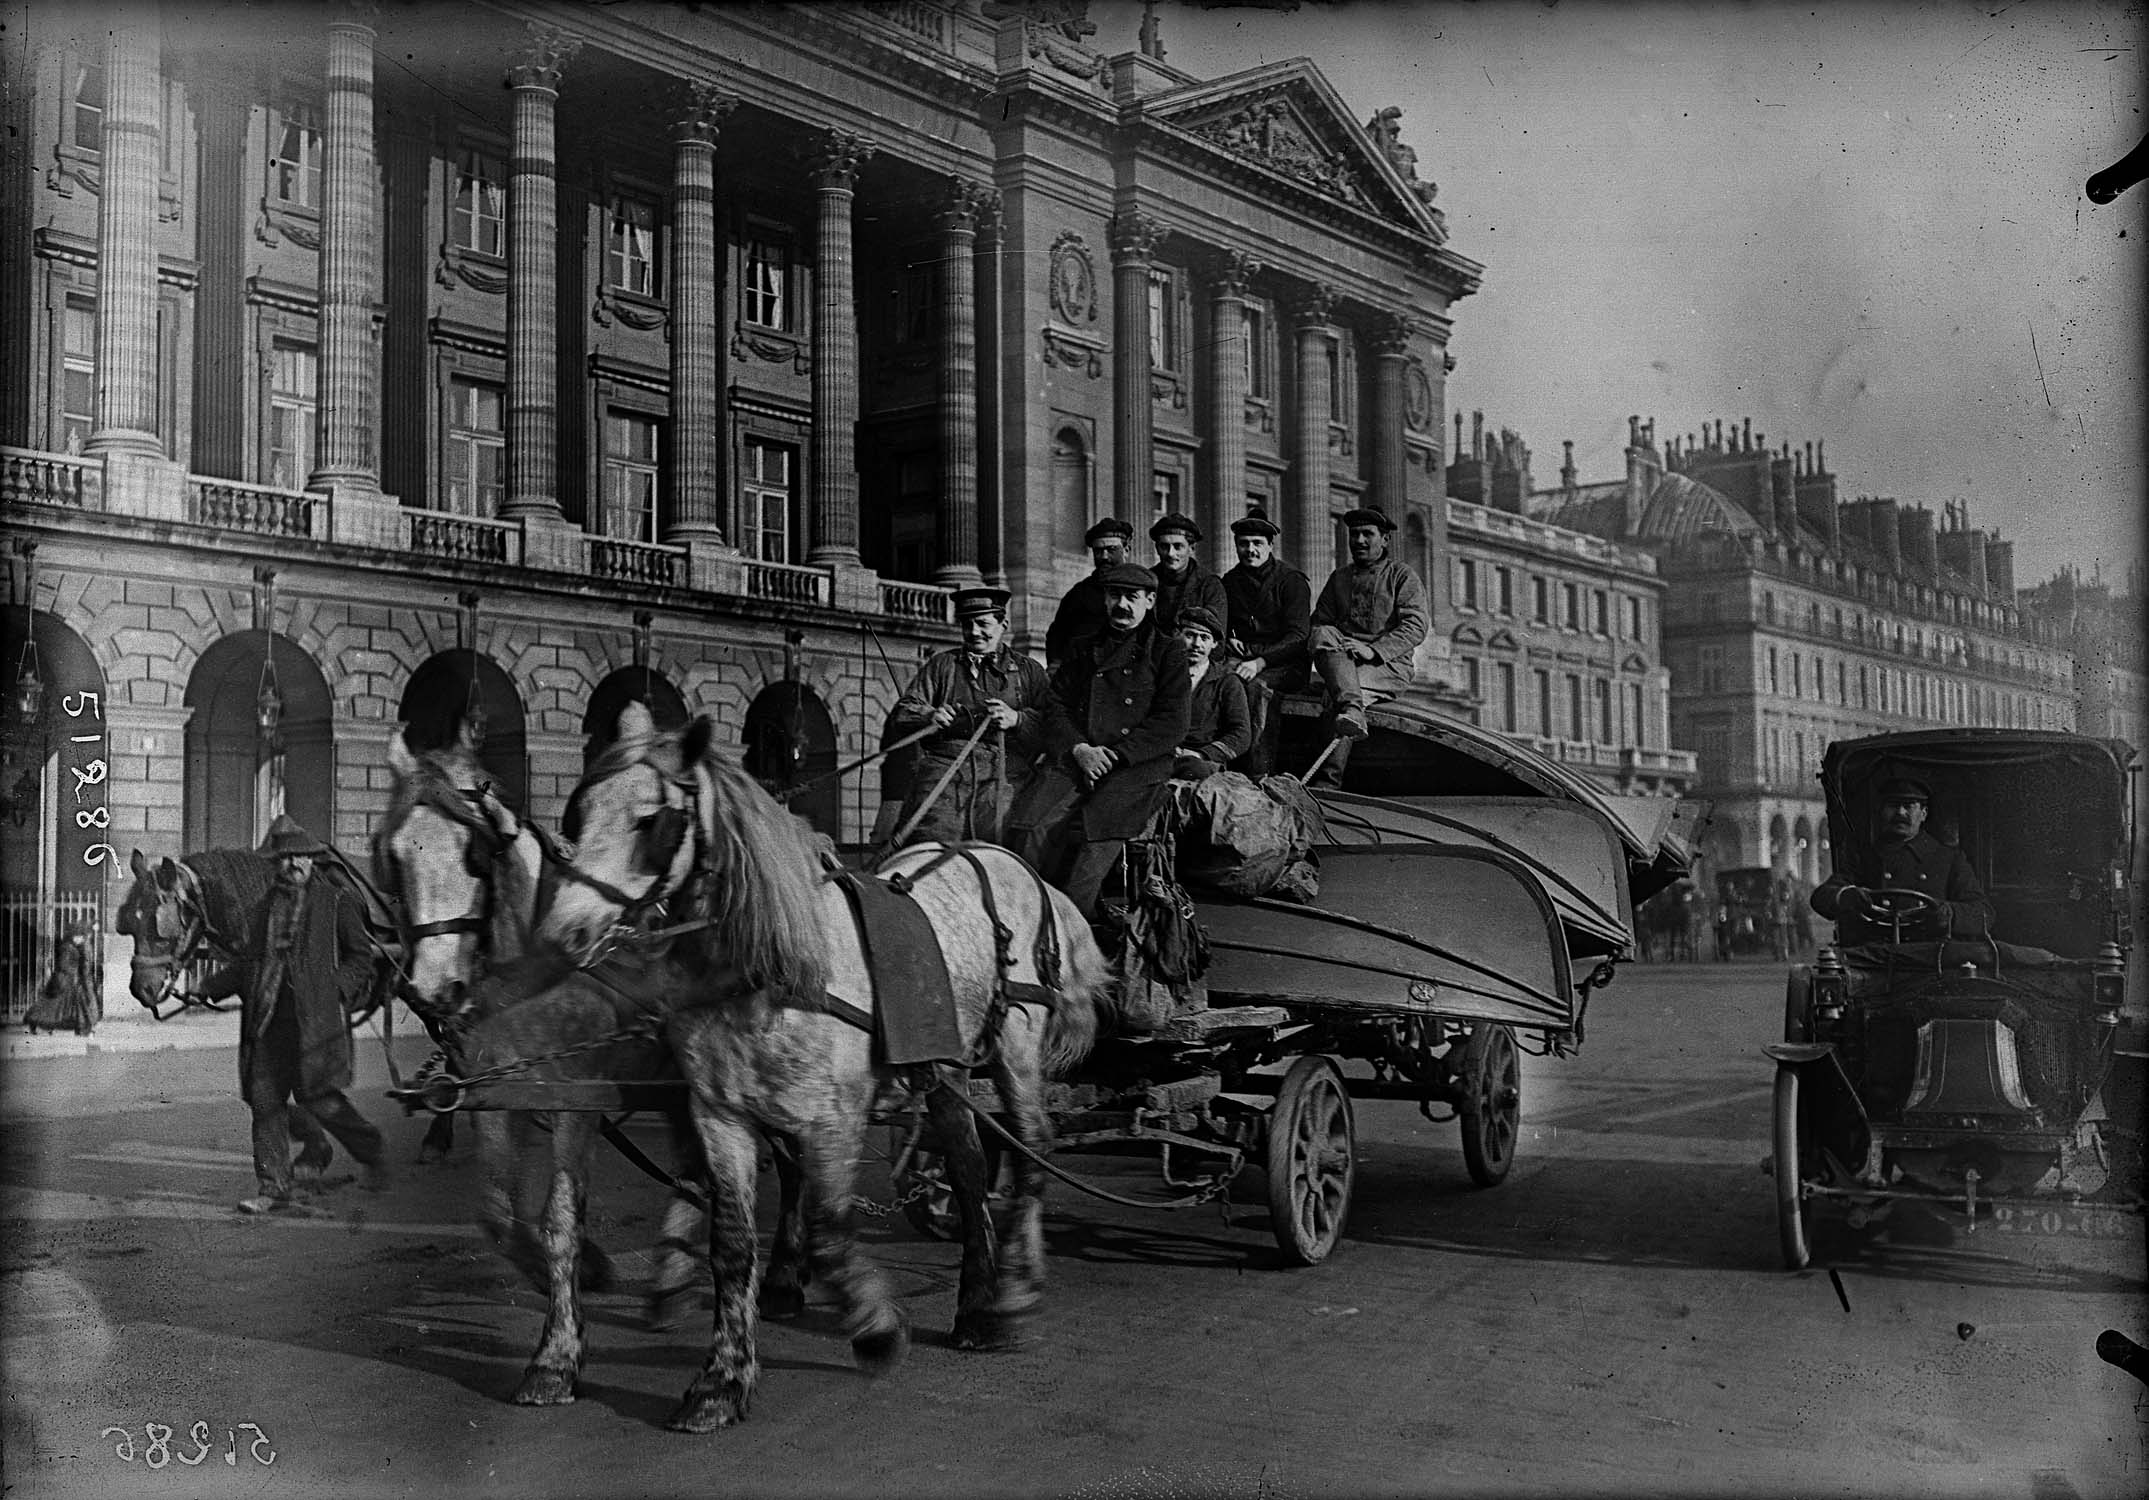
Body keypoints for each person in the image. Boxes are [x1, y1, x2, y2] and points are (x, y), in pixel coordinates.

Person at [196, 815, 389, 1213]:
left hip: (314, 1022)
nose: (292, 865)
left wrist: (337, 987)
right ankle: (272, 1188)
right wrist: (208, 987)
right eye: (284, 859)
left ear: (312, 860)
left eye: (299, 857)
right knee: (266, 1103)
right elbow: (246, 964)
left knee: (319, 1099)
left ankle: (372, 1151)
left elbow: (360, 957)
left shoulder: (337, 902)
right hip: (266, 1020)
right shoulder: (263, 908)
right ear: (275, 864)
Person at [1017, 563, 1191, 917]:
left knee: (1089, 862)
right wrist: (1079, 749)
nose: (1122, 605)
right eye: (1114, 595)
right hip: (1078, 757)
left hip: (1134, 769)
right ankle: (1020, 919)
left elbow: (1172, 722)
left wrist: (1114, 757)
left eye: (1131, 597)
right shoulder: (1083, 647)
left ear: (1149, 600)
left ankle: (1072, 941)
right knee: (1027, 830)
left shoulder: (1167, 650)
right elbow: (1057, 706)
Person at [884, 585, 1056, 846]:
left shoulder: (1028, 671)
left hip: (1007, 778)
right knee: (927, 845)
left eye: (982, 623)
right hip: (944, 775)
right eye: (967, 624)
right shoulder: (943, 665)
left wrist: (1017, 719)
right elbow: (904, 711)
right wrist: (930, 716)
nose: (974, 632)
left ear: (1003, 624)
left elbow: (1053, 726)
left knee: (1011, 851)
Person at [1306, 506, 1429, 784]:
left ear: (1384, 539)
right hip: (1343, 662)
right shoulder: (1339, 578)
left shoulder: (1402, 576)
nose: (1359, 541)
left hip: (1387, 666)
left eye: (1367, 534)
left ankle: (1328, 783)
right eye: (1354, 534)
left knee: (1342, 696)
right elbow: (1318, 625)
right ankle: (1352, 708)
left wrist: (1373, 650)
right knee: (1323, 634)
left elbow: (1416, 626)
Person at [1811, 777, 1994, 944]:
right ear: (1881, 812)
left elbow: (1984, 913)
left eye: (1908, 806)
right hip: (1875, 957)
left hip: (1933, 958)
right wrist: (1846, 895)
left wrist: (1947, 913)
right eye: (1892, 805)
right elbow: (1821, 897)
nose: (1900, 812)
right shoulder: (1865, 857)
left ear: (1923, 813)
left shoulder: (1948, 859)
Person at [1219, 510, 1312, 775]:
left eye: (1257, 543)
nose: (1250, 549)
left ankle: (1257, 773)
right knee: (1216, 680)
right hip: (1245, 659)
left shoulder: (1291, 581)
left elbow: (1298, 637)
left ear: (1270, 546)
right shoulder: (1230, 581)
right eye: (1243, 543)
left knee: (1256, 689)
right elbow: (1222, 625)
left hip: (1286, 664)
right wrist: (1228, 640)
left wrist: (1260, 661)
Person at [1045, 516, 1136, 669]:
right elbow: (1057, 636)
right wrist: (1055, 667)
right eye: (1098, 551)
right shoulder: (1078, 594)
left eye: (1112, 550)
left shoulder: (1141, 591)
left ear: (1126, 550)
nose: (1104, 557)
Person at [1172, 605, 1251, 780]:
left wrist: (1201, 754)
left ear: (1214, 644)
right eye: (1190, 635)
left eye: (1204, 638)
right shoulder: (1161, 674)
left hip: (1202, 762)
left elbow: (1241, 734)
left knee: (1194, 770)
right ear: (1177, 635)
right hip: (1163, 754)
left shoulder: (1227, 682)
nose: (1196, 644)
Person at [1148, 512, 1228, 640]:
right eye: (1164, 546)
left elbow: (1217, 639)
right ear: (1157, 548)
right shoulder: (1147, 581)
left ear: (1191, 548)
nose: (1170, 553)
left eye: (1178, 546)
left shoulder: (1209, 585)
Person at [23, 923, 96, 1036]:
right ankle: (34, 1020)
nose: (80, 939)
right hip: (64, 981)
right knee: (54, 1006)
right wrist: (73, 973)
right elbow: (63, 965)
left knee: (58, 1006)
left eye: (81, 937)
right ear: (72, 936)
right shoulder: (68, 947)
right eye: (77, 937)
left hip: (68, 981)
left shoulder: (71, 947)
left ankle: (79, 1027)